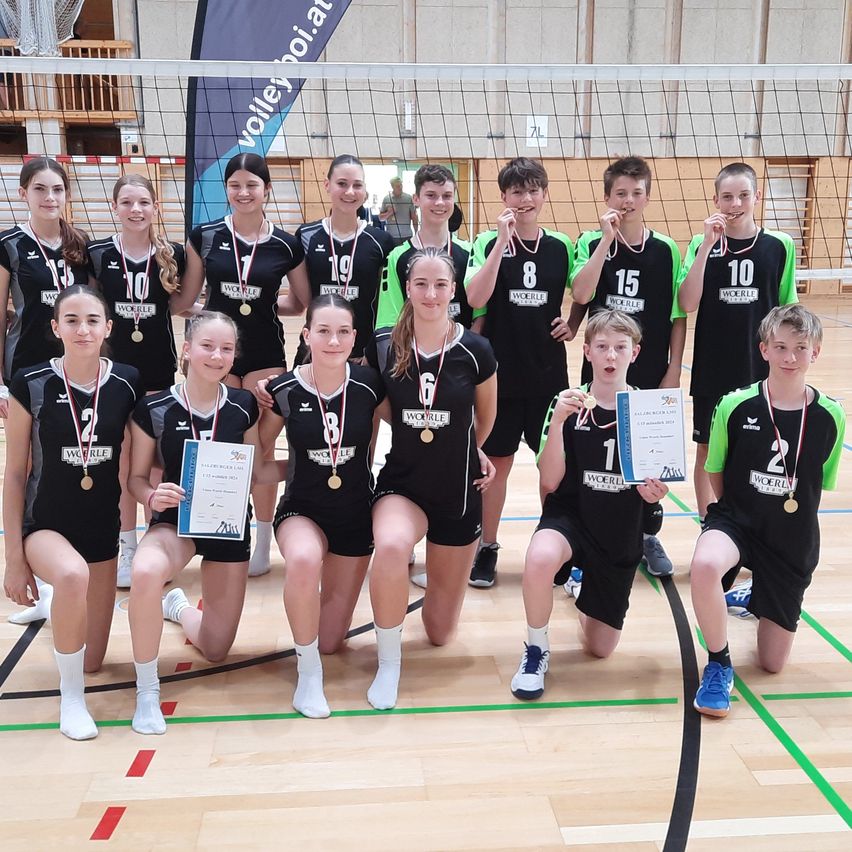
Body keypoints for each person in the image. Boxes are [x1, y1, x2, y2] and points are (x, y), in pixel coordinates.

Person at [690, 305, 844, 718]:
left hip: (791, 540)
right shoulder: (736, 406)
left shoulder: (831, 415)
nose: (790, 357)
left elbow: (816, 485)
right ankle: (719, 662)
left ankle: (757, 596)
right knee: (705, 564)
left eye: (800, 348)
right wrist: (729, 517)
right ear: (764, 350)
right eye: (780, 347)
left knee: (771, 664)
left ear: (817, 352)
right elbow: (716, 472)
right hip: (738, 522)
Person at [2, 285, 141, 739]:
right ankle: (73, 699)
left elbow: (144, 460)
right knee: (70, 576)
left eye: (93, 321)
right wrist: (14, 560)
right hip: (45, 525)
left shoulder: (126, 381)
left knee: (94, 658)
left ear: (109, 328)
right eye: (73, 321)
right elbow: (16, 474)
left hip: (101, 528)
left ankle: (56, 606)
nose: (83, 329)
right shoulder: (31, 381)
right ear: (55, 327)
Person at [510, 310, 668, 700]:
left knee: (600, 649)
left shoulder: (650, 411)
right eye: (602, 347)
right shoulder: (567, 403)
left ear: (635, 352)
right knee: (540, 556)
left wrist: (655, 493)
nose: (611, 356)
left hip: (619, 532)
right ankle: (535, 649)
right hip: (572, 517)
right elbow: (548, 480)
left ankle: (585, 588)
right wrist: (560, 423)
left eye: (620, 347)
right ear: (587, 351)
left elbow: (658, 484)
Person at [366, 247, 497, 710]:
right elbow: (374, 406)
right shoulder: (384, 344)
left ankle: (430, 612)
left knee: (441, 634)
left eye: (440, 284)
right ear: (407, 288)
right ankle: (388, 660)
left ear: (454, 289)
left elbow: (485, 418)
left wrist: (472, 453)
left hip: (458, 491)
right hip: (403, 482)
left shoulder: (475, 349)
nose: (430, 293)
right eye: (421, 283)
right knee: (393, 545)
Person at [126, 311, 268, 735]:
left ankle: (178, 607)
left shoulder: (244, 406)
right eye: (207, 346)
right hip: (174, 523)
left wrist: (328, 467)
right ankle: (147, 690)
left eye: (227, 349)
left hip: (227, 526)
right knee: (146, 570)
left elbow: (257, 471)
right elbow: (134, 478)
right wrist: (152, 495)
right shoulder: (154, 407)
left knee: (216, 648)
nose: (217, 355)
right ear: (186, 349)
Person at [181, 153, 305, 578]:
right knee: (218, 448)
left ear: (266, 189)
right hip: (217, 349)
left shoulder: (287, 244)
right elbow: (187, 298)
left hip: (265, 353)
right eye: (235, 185)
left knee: (262, 448)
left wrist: (262, 300)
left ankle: (263, 539)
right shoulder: (206, 236)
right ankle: (218, 531)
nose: (243, 192)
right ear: (227, 190)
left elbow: (300, 301)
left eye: (252, 184)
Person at [262, 294, 384, 718]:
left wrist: (471, 451)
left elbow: (415, 428)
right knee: (302, 560)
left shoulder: (370, 385)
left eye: (343, 332)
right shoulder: (283, 389)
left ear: (354, 337)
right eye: (324, 331)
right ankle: (308, 673)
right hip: (302, 509)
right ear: (307, 334)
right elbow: (258, 457)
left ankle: (178, 608)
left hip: (355, 514)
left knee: (332, 640)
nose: (334, 340)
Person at [569, 156, 685, 578]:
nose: (629, 200)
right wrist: (605, 241)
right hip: (602, 367)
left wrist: (674, 367)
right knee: (595, 454)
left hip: (649, 366)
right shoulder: (589, 240)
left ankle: (647, 535)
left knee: (648, 458)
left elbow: (677, 315)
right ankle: (585, 538)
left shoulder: (666, 249)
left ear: (648, 197)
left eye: (637, 193)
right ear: (607, 197)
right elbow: (581, 293)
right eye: (621, 193)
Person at [464, 157, 573, 588]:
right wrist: (500, 243)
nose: (525, 199)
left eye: (533, 190)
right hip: (500, 377)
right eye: (516, 191)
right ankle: (486, 547)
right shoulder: (486, 241)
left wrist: (576, 320)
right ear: (503, 197)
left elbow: (583, 290)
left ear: (544, 194)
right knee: (496, 469)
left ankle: (556, 547)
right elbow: (475, 298)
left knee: (554, 472)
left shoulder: (562, 245)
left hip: (548, 376)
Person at [678, 162, 798, 520]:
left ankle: (752, 524)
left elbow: (787, 310)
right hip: (713, 367)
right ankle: (710, 524)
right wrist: (707, 248)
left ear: (757, 197)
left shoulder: (780, 245)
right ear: (715, 200)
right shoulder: (701, 243)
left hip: (760, 369)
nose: (735, 204)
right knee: (706, 449)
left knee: (756, 449)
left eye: (743, 195)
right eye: (727, 197)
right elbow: (686, 303)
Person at [1, 156, 91, 626]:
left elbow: (92, 311)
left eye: (57, 190)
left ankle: (72, 573)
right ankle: (37, 580)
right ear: (23, 194)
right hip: (26, 374)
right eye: (40, 189)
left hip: (73, 371)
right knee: (30, 469)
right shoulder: (10, 246)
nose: (50, 198)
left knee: (72, 462)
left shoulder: (80, 246)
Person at [88, 174, 186, 588]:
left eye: (143, 202)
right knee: (126, 460)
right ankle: (126, 545)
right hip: (114, 373)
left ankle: (156, 543)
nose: (135, 210)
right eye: (127, 202)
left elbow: (181, 303)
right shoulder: (96, 254)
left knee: (156, 462)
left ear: (155, 207)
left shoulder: (172, 254)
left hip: (158, 371)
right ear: (115, 207)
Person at [283, 154, 395, 362]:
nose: (350, 192)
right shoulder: (306, 235)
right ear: (327, 185)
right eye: (342, 184)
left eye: (357, 185)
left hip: (362, 354)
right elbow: (297, 301)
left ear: (365, 190)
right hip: (314, 351)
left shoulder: (381, 241)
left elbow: (386, 306)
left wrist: (373, 353)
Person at [377, 164, 477, 330]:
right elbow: (389, 324)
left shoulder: (470, 253)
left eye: (447, 196)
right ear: (416, 199)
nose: (439, 202)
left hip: (461, 353)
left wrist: (467, 352)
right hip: (413, 353)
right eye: (431, 195)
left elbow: (479, 317)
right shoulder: (397, 257)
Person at [379, 176, 418, 245]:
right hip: (391, 236)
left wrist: (416, 233)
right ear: (392, 187)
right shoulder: (387, 199)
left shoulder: (408, 198)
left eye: (401, 185)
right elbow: (381, 218)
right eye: (397, 186)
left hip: (407, 236)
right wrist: (389, 212)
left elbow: (414, 216)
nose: (400, 187)